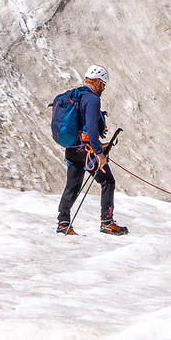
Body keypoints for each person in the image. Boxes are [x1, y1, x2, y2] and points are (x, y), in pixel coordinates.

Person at [56, 66, 127, 237]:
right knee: (108, 181)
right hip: (86, 151)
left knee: (72, 186)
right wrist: (99, 153)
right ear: (96, 82)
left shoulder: (76, 95)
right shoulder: (92, 100)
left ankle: (63, 223)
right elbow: (92, 130)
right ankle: (107, 223)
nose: (103, 88)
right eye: (103, 84)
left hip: (72, 149)